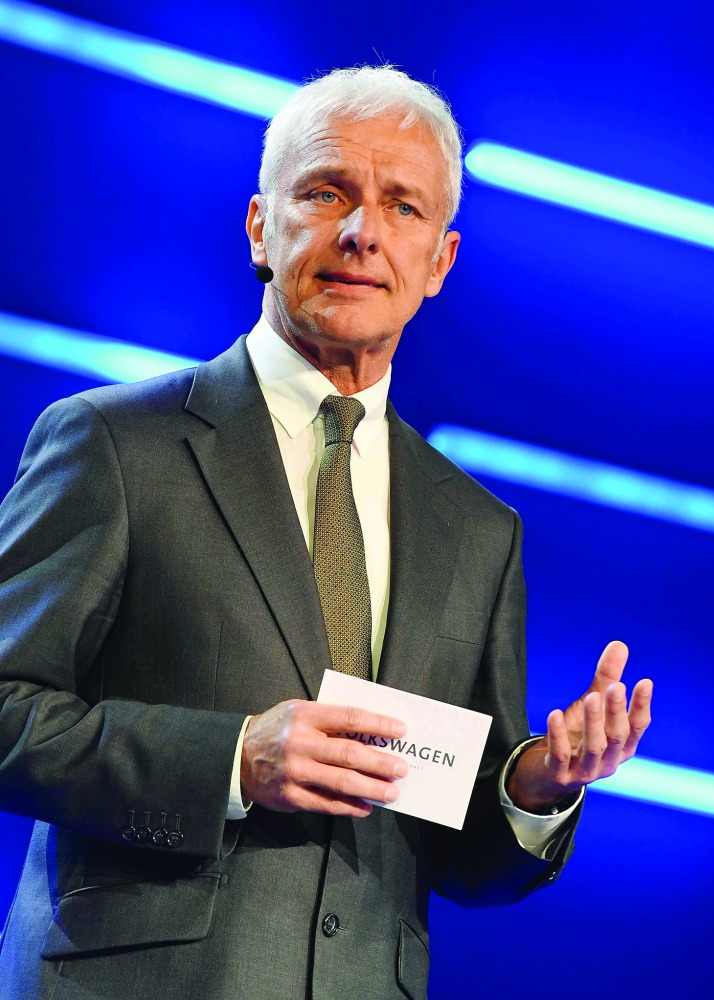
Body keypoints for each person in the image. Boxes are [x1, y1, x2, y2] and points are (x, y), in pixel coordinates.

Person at [0, 66, 652, 1000]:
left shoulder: (478, 531)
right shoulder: (115, 444)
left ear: (441, 263)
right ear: (262, 227)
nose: (362, 232)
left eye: (403, 208)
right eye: (327, 192)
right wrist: (229, 760)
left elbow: (464, 856)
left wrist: (538, 785)